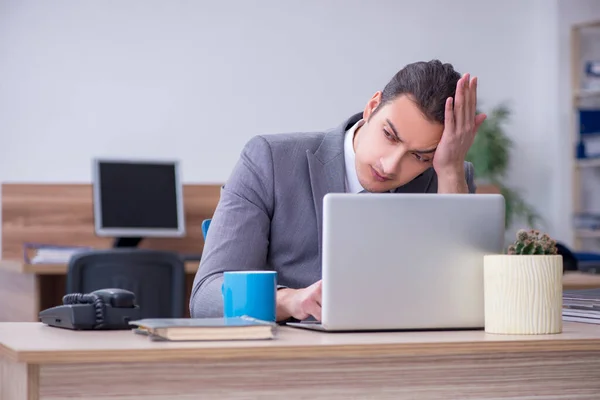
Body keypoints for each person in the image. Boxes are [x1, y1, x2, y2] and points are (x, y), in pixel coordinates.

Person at [190, 59, 487, 322]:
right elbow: (206, 298)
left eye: (420, 156)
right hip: (292, 363)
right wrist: (288, 301)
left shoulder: (448, 178)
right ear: (372, 106)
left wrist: (449, 171)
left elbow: (467, 302)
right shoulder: (269, 160)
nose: (390, 165)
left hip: (404, 361)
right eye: (389, 135)